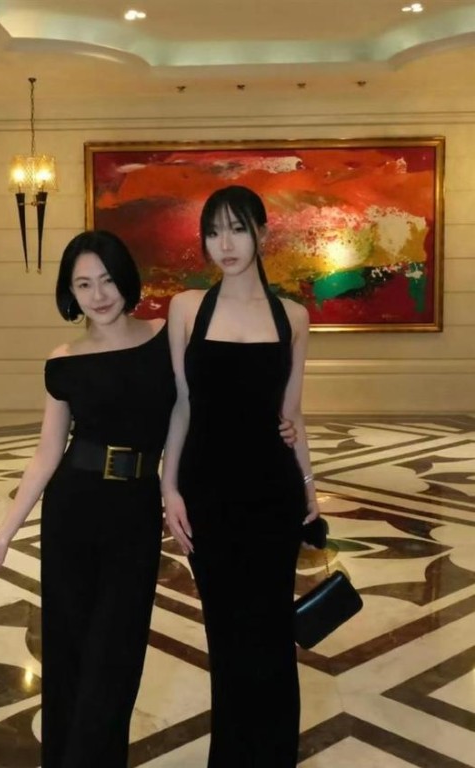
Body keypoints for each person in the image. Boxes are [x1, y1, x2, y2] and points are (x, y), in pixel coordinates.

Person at [0, 228, 298, 767]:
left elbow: (201, 397)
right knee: (70, 651)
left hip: (135, 512)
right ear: (69, 293)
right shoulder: (64, 360)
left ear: (125, 279)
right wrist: (3, 533)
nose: (98, 295)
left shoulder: (163, 337)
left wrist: (274, 423)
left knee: (116, 657)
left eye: (106, 280)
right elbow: (46, 453)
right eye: (83, 285)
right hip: (73, 511)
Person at [161, 185, 320, 767]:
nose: (224, 244)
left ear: (261, 233)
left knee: (273, 635)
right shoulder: (187, 309)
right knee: (226, 637)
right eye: (213, 232)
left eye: (236, 229)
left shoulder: (293, 317)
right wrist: (168, 487)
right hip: (207, 492)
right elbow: (182, 405)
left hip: (273, 492)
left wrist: (310, 487)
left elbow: (292, 414)